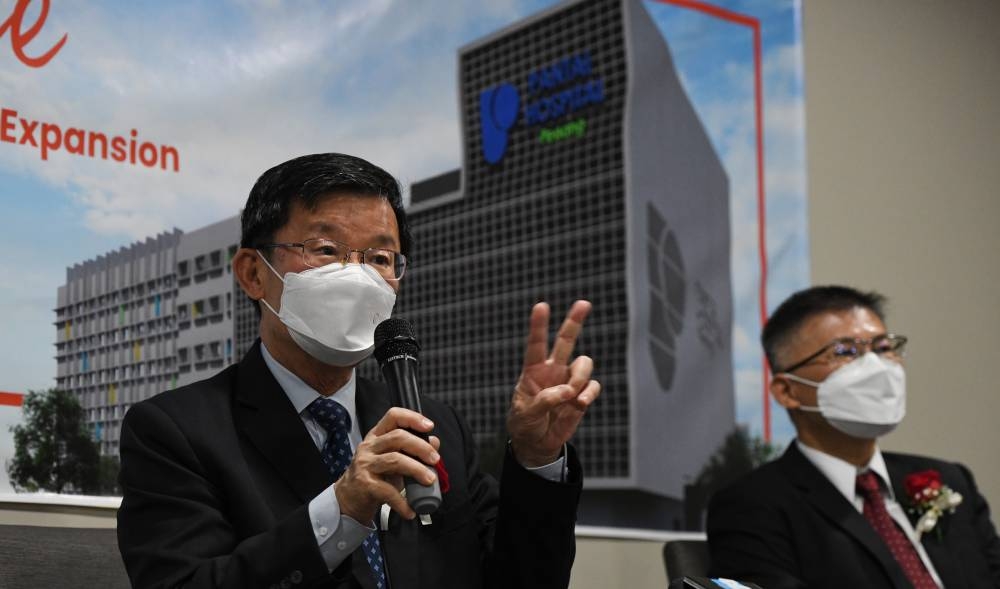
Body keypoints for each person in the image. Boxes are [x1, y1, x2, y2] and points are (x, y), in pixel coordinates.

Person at [117, 153, 602, 589]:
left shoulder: (434, 426)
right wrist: (341, 510)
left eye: (380, 258)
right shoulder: (174, 432)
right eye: (326, 250)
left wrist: (538, 460)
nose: (357, 275)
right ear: (253, 273)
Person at [707, 285, 1000, 589]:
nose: (876, 366)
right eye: (845, 351)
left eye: (883, 348)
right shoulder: (753, 505)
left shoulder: (950, 479)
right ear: (787, 390)